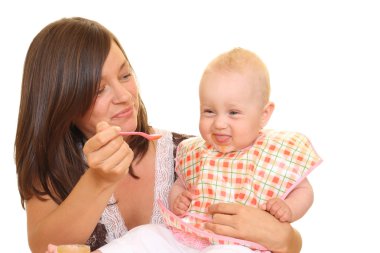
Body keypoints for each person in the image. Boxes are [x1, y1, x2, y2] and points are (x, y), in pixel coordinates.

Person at [15, 17, 302, 253]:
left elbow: (288, 240)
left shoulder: (193, 153)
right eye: (98, 88)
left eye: (125, 76)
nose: (123, 96)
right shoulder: (51, 172)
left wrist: (286, 240)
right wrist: (98, 181)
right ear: (62, 101)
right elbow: (45, 248)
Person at [161, 48, 322, 250]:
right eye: (209, 111)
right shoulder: (196, 151)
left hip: (240, 244)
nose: (219, 123)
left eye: (233, 113)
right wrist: (178, 200)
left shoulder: (274, 151)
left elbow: (304, 189)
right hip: (193, 235)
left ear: (264, 115)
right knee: (149, 233)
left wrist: (288, 208)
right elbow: (181, 185)